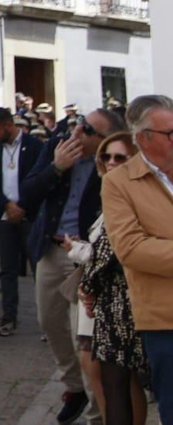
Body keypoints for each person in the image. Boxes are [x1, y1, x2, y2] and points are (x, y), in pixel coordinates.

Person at [21, 106, 125, 425]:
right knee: (49, 321)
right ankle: (73, 388)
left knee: (86, 337)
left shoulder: (112, 161)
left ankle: (97, 412)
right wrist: (56, 167)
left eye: (89, 131)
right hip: (52, 248)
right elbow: (27, 194)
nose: (78, 133)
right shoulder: (58, 145)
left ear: (107, 140)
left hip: (89, 256)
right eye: (79, 124)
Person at [102, 95, 173, 422]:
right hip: (165, 318)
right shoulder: (119, 182)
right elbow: (131, 248)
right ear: (143, 138)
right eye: (171, 133)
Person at [78, 131, 148, 425]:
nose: (111, 162)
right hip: (104, 298)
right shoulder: (107, 191)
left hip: (123, 299)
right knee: (103, 374)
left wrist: (89, 282)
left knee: (120, 378)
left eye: (119, 157)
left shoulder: (135, 195)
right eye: (106, 156)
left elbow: (115, 248)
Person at [0, 105, 44, 337]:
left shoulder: (35, 146)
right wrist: (7, 205)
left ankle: (46, 320)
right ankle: (8, 318)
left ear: (9, 126)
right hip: (3, 214)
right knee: (7, 269)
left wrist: (22, 206)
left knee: (39, 267)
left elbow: (40, 178)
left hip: (29, 214)